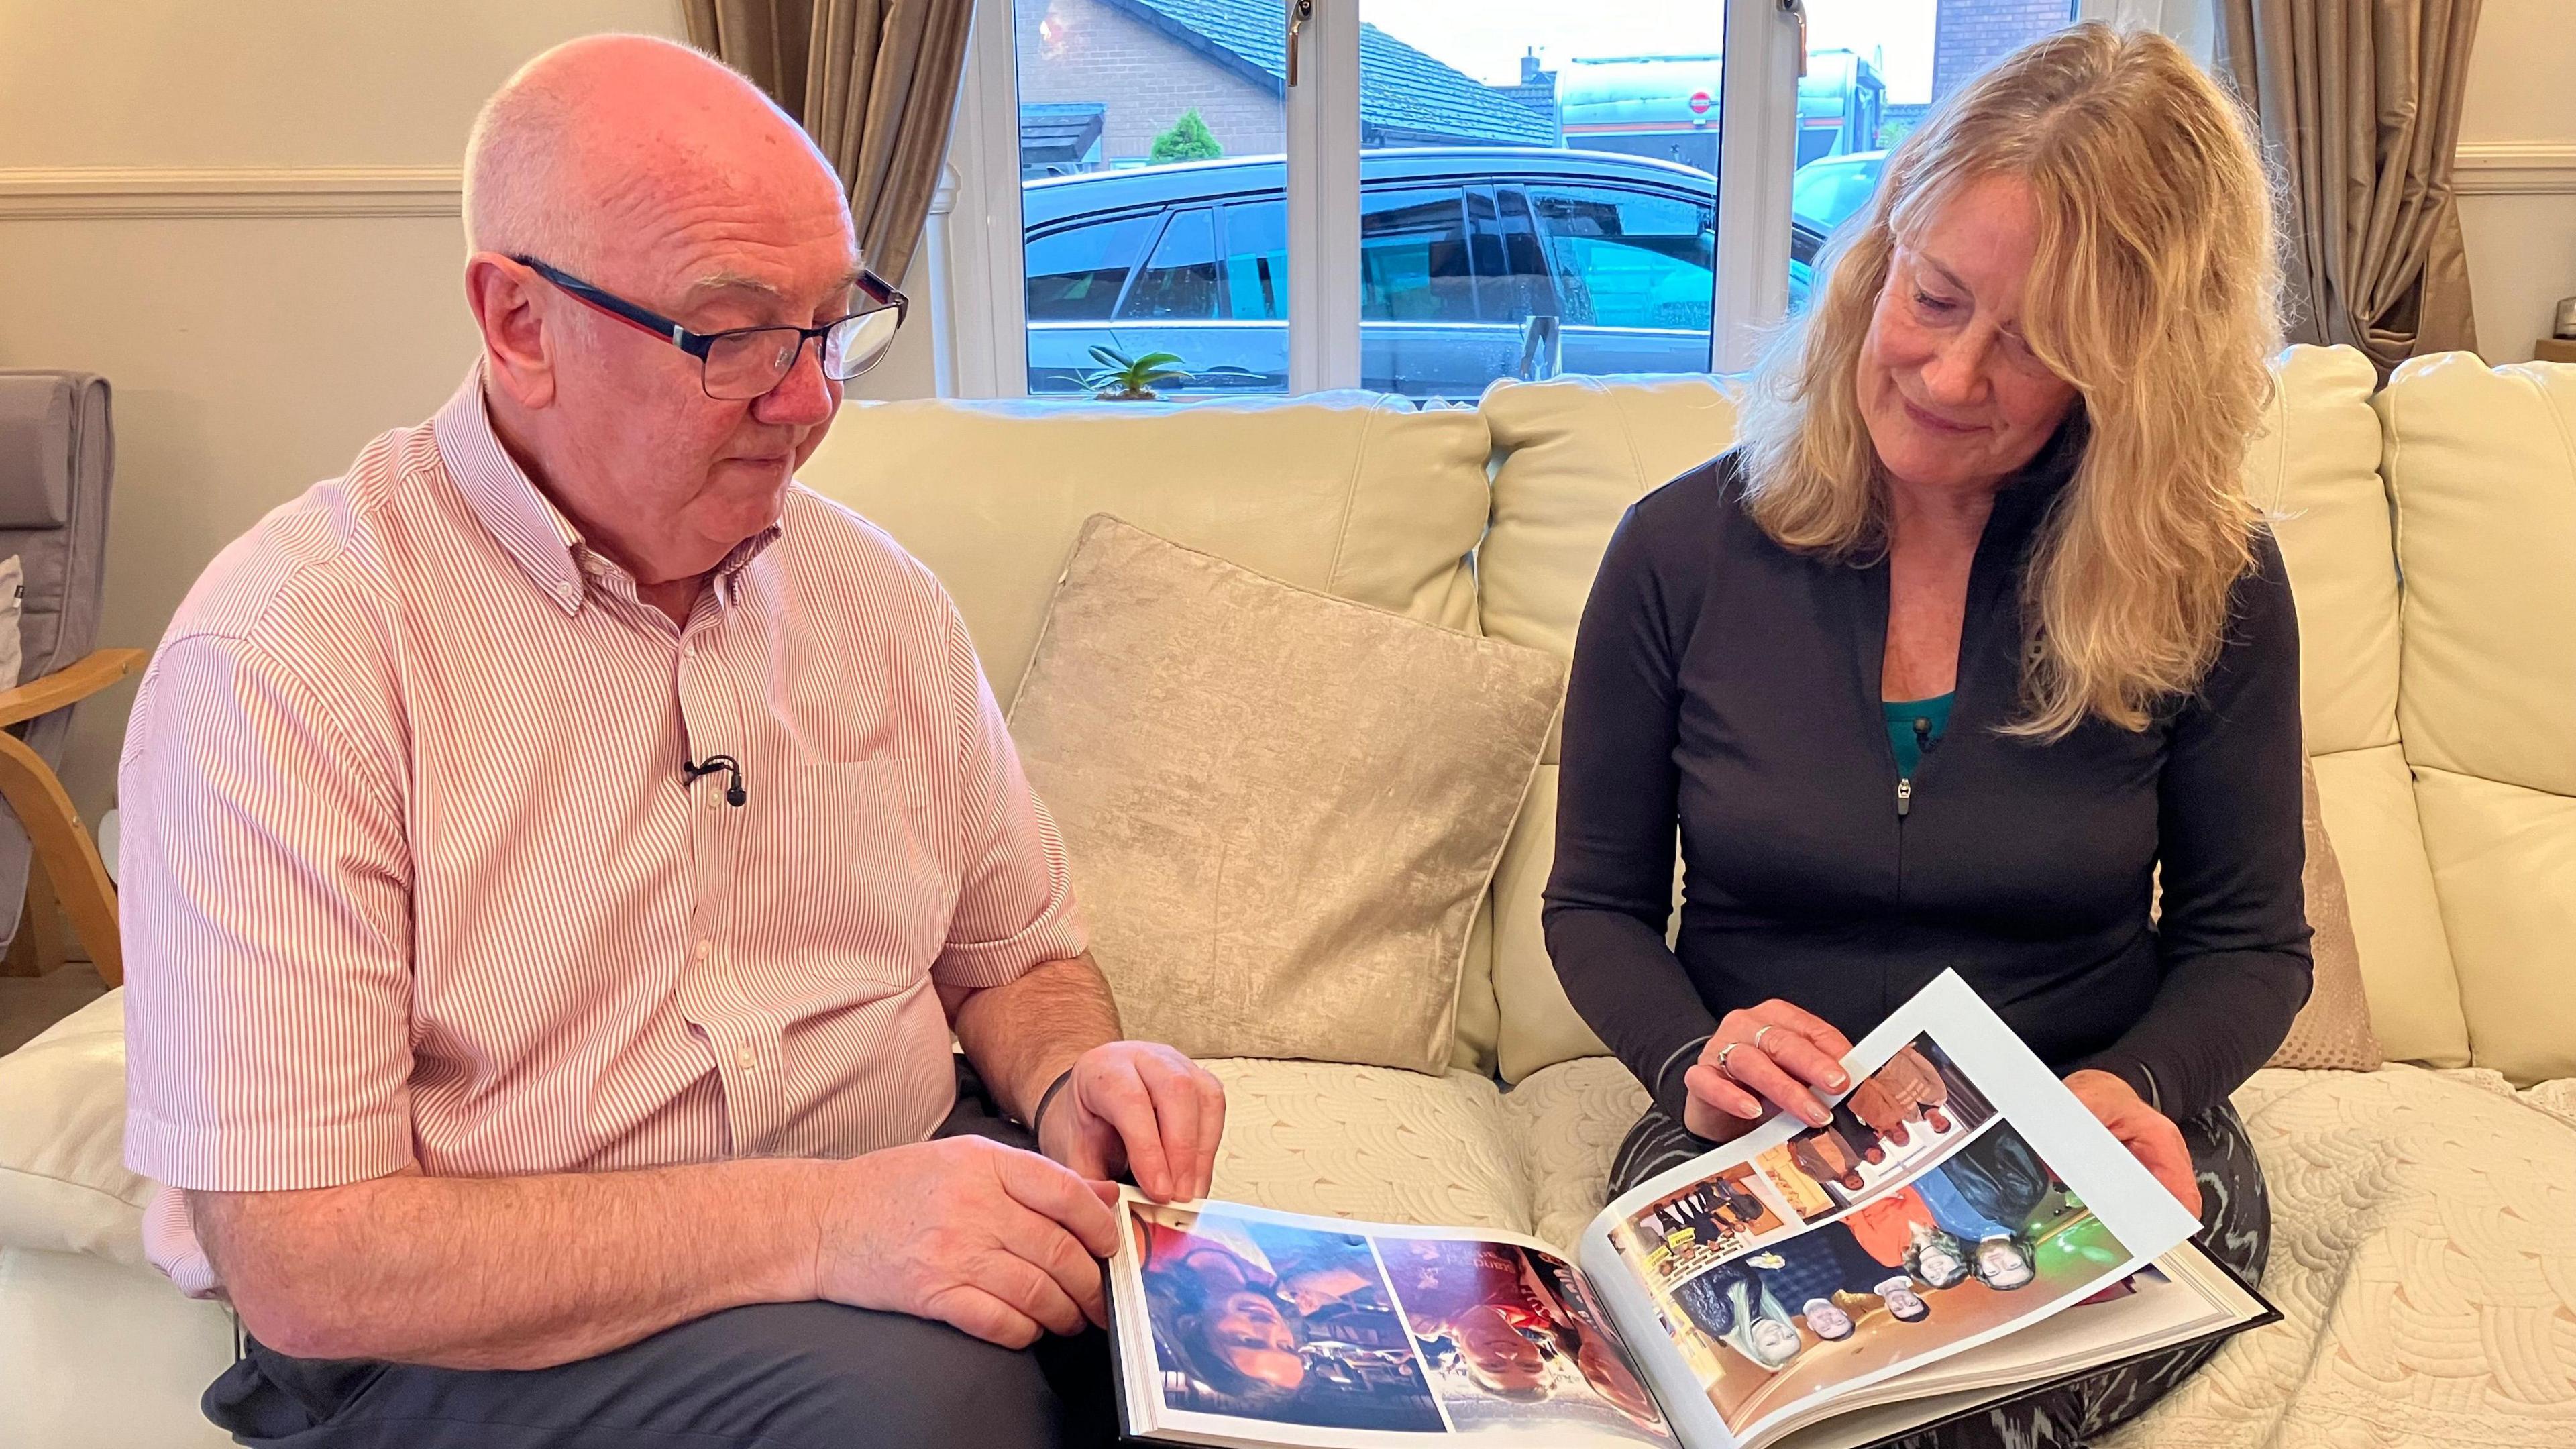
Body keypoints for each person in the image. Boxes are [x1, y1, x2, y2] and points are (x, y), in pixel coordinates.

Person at [115, 36, 1229, 1449]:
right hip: (471, 1337)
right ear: (519, 322)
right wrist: (830, 1226)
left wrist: (1077, 1080)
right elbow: (307, 1262)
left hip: (883, 1226)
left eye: (835, 323)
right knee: (936, 1413)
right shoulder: (290, 657)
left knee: (1227, 1364)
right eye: (738, 331)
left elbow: (1018, 957)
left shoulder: (874, 598)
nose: (813, 397)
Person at [1546, 25, 2292, 1446]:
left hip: (2090, 1120)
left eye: (2034, 349)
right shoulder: (1677, 551)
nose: (1953, 378)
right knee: (1785, 1390)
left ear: (2132, 374)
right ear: (1878, 249)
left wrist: (2128, 1093)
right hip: (1757, 1136)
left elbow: (2251, 944)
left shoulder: (2212, 578)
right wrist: (1687, 1054)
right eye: (1934, 297)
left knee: (1935, 1407)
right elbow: (1593, 905)